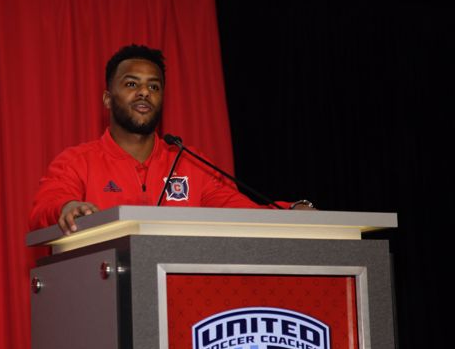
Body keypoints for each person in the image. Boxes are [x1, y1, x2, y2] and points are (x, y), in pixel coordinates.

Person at [29, 44, 313, 234]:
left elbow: (245, 213)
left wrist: (289, 210)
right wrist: (66, 207)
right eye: (131, 84)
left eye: (154, 86)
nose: (144, 92)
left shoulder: (189, 163)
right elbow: (45, 206)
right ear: (107, 98)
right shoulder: (77, 162)